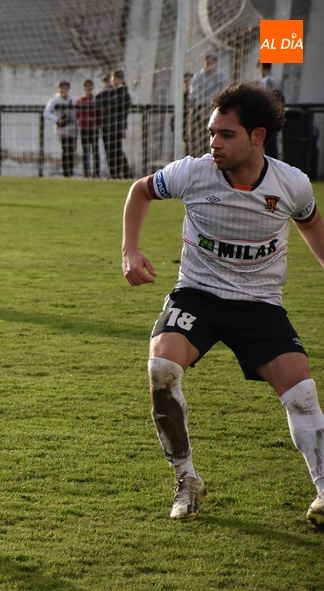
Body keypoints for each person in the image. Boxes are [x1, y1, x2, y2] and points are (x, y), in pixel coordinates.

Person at [121, 81, 324, 529]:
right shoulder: (191, 172)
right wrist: (130, 252)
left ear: (257, 137)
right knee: (161, 371)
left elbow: (310, 223)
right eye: (211, 132)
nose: (214, 143)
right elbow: (140, 191)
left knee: (303, 396)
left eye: (226, 134)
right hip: (197, 293)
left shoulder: (291, 184)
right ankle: (187, 480)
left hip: (260, 304)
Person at [188, 54, 227, 157]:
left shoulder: (221, 76)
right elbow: (194, 95)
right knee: (195, 134)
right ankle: (194, 155)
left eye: (212, 63)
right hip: (199, 108)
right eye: (208, 63)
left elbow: (222, 93)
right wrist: (200, 110)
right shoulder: (198, 77)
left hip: (215, 108)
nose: (210, 66)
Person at [102, 70, 132, 179]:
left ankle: (122, 173)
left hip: (115, 126)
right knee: (111, 150)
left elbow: (117, 106)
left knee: (116, 150)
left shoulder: (123, 93)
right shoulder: (112, 92)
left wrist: (108, 106)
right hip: (108, 125)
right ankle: (115, 173)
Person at [43, 80, 76, 178]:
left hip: (73, 128)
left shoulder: (74, 100)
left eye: (65, 88)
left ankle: (71, 171)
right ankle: (66, 172)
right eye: (61, 88)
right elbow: (46, 113)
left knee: (72, 150)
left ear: (69, 89)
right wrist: (57, 119)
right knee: (65, 149)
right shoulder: (54, 100)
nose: (63, 90)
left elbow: (78, 112)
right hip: (62, 129)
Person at [76, 79, 100, 178]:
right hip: (84, 128)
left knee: (95, 150)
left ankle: (96, 172)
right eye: (86, 86)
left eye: (90, 86)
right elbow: (78, 115)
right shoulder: (80, 101)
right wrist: (85, 120)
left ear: (93, 88)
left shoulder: (96, 100)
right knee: (85, 151)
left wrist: (95, 123)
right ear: (83, 88)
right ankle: (86, 172)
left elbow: (99, 115)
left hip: (94, 129)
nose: (88, 88)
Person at [259, 63, 283, 159]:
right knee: (273, 144)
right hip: (276, 114)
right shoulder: (276, 80)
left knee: (268, 144)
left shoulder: (266, 81)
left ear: (261, 68)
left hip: (267, 115)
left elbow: (264, 99)